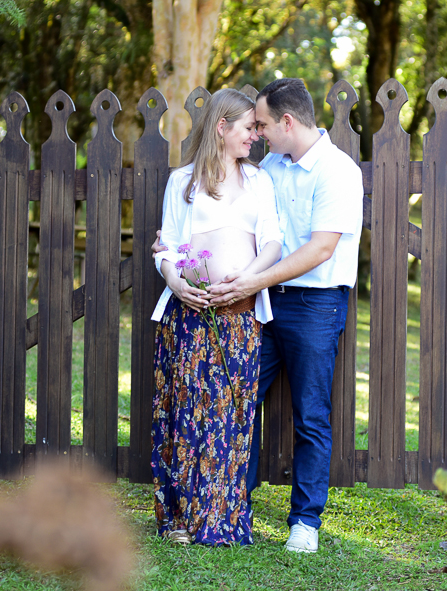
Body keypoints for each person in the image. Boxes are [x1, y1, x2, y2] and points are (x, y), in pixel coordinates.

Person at [205, 78, 363, 553]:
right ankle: (234, 504)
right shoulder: (271, 165)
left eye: (265, 124)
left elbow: (321, 248)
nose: (259, 135)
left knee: (310, 413)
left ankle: (305, 522)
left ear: (288, 122)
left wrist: (255, 281)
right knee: (241, 396)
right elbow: (238, 215)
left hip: (315, 304)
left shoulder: (338, 172)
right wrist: (178, 245)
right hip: (267, 301)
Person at [150, 88, 283, 547]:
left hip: (241, 315)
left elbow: (272, 244)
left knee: (230, 412)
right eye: (249, 128)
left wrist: (245, 280)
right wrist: (175, 282)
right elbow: (166, 246)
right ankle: (180, 521)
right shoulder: (182, 181)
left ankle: (221, 520)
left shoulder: (259, 181)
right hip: (189, 314)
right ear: (222, 127)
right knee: (185, 410)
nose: (255, 137)